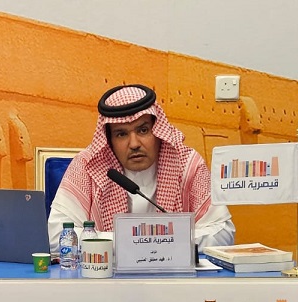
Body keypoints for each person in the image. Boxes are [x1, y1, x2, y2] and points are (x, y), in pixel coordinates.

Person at [48, 84, 235, 254]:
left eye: (143, 130)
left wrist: (160, 241)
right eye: (121, 134)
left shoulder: (187, 164)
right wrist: (133, 241)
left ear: (158, 131)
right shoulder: (88, 166)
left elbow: (223, 233)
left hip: (172, 276)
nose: (134, 144)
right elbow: (56, 236)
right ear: (109, 140)